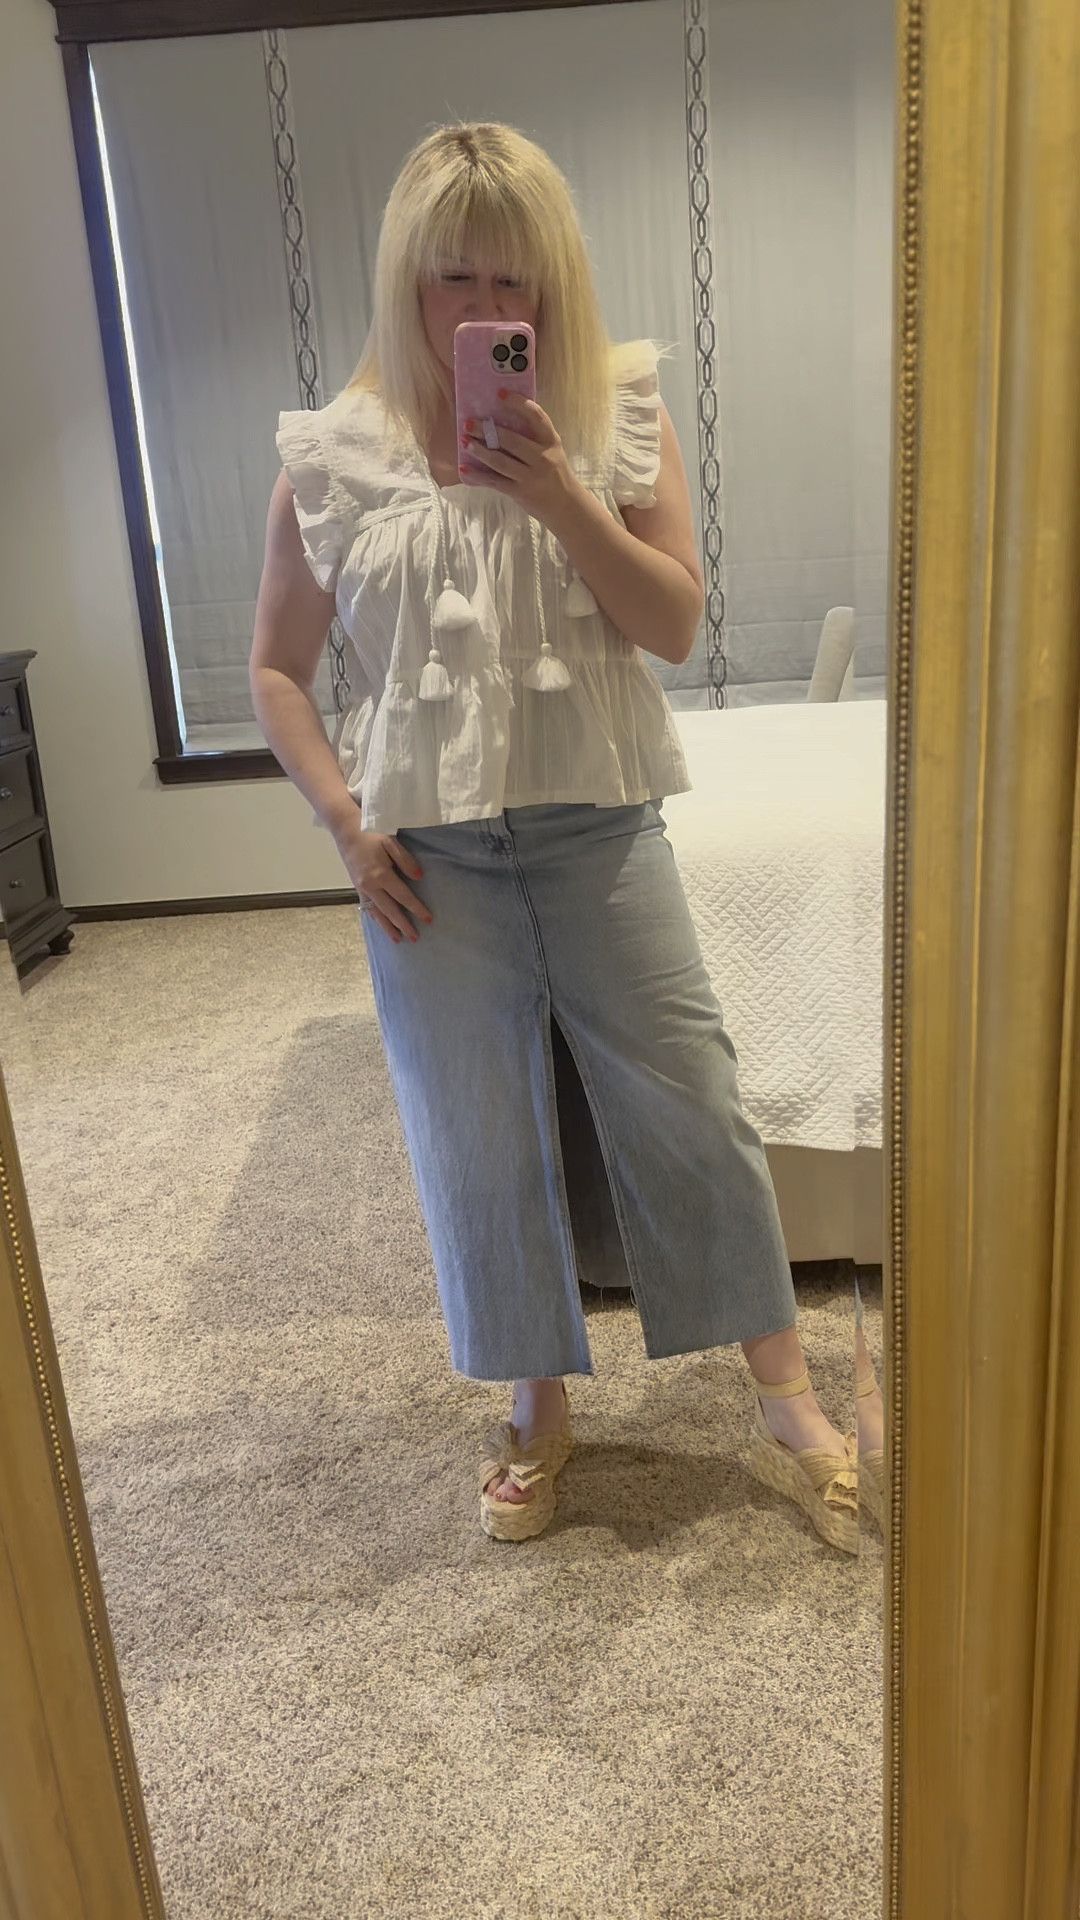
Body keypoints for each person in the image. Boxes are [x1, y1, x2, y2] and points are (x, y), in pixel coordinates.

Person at [250, 122, 858, 1550]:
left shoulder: (618, 413)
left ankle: (787, 1397)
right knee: (478, 1134)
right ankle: (536, 1404)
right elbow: (276, 669)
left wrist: (560, 493)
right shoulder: (331, 458)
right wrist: (344, 825)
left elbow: (673, 623)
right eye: (454, 275)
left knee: (693, 1100)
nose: (486, 307)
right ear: (406, 279)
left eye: (514, 278)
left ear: (554, 284)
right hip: (429, 866)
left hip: (601, 831)